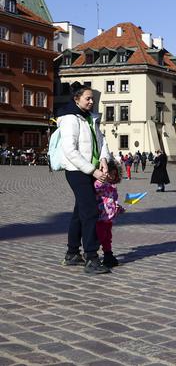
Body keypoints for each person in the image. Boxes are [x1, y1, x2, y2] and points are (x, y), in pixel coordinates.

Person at [58, 81, 111, 275]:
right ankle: (91, 257)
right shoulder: (70, 119)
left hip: (90, 169)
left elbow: (101, 140)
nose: (91, 102)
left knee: (80, 211)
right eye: (87, 98)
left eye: (93, 99)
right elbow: (70, 151)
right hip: (76, 170)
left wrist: (104, 159)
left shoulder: (90, 117)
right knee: (90, 212)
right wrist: (93, 170)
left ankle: (72, 253)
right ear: (76, 99)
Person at [94, 160, 124, 268]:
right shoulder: (101, 183)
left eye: (114, 174)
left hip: (109, 217)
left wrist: (118, 208)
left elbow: (113, 201)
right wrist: (103, 177)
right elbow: (96, 186)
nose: (112, 176)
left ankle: (108, 254)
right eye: (111, 173)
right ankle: (93, 253)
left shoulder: (113, 187)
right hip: (101, 215)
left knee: (108, 236)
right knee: (101, 236)